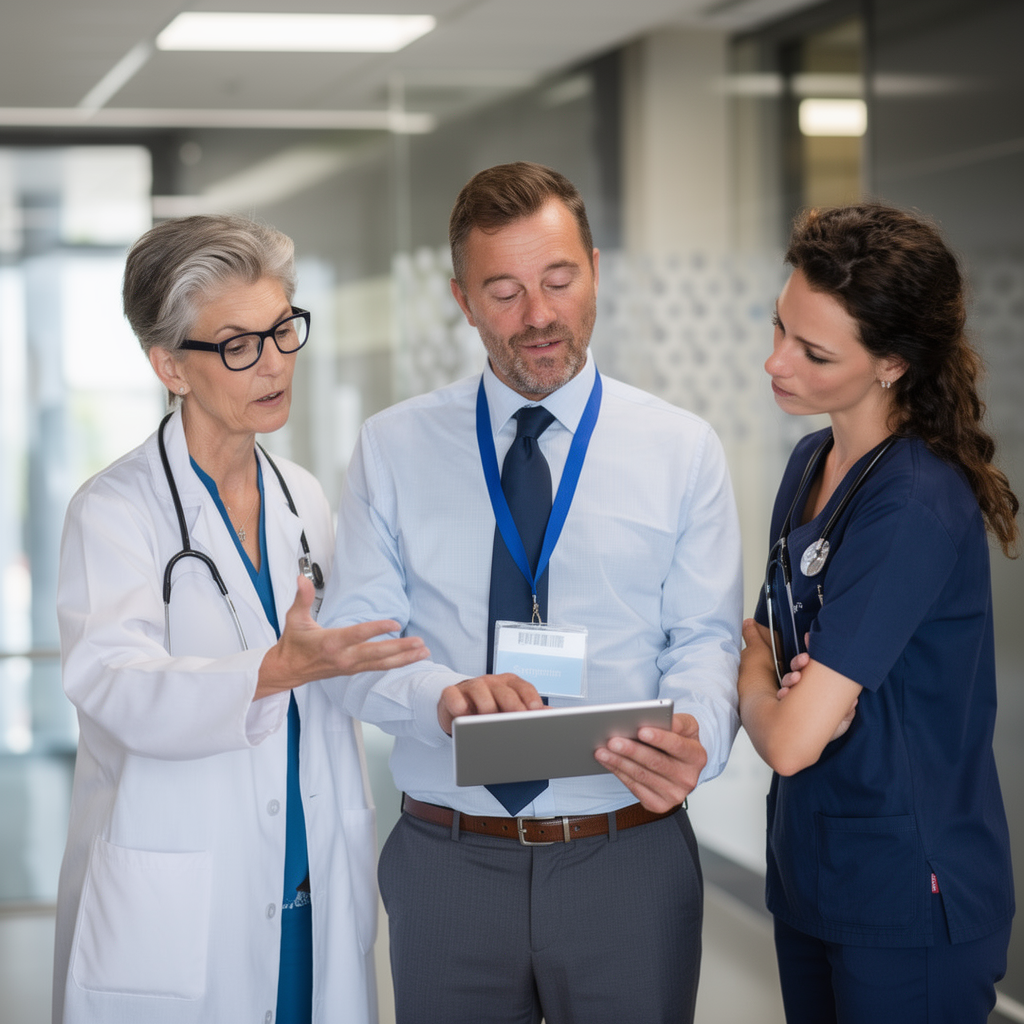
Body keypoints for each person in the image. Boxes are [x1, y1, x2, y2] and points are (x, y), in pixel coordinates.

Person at [317, 161, 743, 1023]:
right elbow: (353, 646)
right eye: (504, 291)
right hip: (450, 860)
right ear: (462, 299)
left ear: (595, 269)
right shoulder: (393, 448)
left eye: (559, 280)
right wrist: (440, 696)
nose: (539, 315)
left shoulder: (680, 448)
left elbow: (705, 637)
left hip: (627, 853)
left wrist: (700, 728)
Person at [52, 214, 428, 1024]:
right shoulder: (114, 512)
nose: (275, 364)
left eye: (283, 331)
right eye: (237, 344)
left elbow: (349, 657)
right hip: (188, 894)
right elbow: (109, 682)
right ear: (169, 367)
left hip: (311, 873)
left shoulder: (306, 497)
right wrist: (273, 670)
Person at [738, 202, 1017, 1024]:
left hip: (907, 895)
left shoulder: (915, 505)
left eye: (813, 351)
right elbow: (762, 638)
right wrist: (778, 682)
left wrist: (765, 689)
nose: (775, 362)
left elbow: (790, 739)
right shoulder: (812, 459)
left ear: (891, 363)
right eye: (781, 326)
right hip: (813, 875)